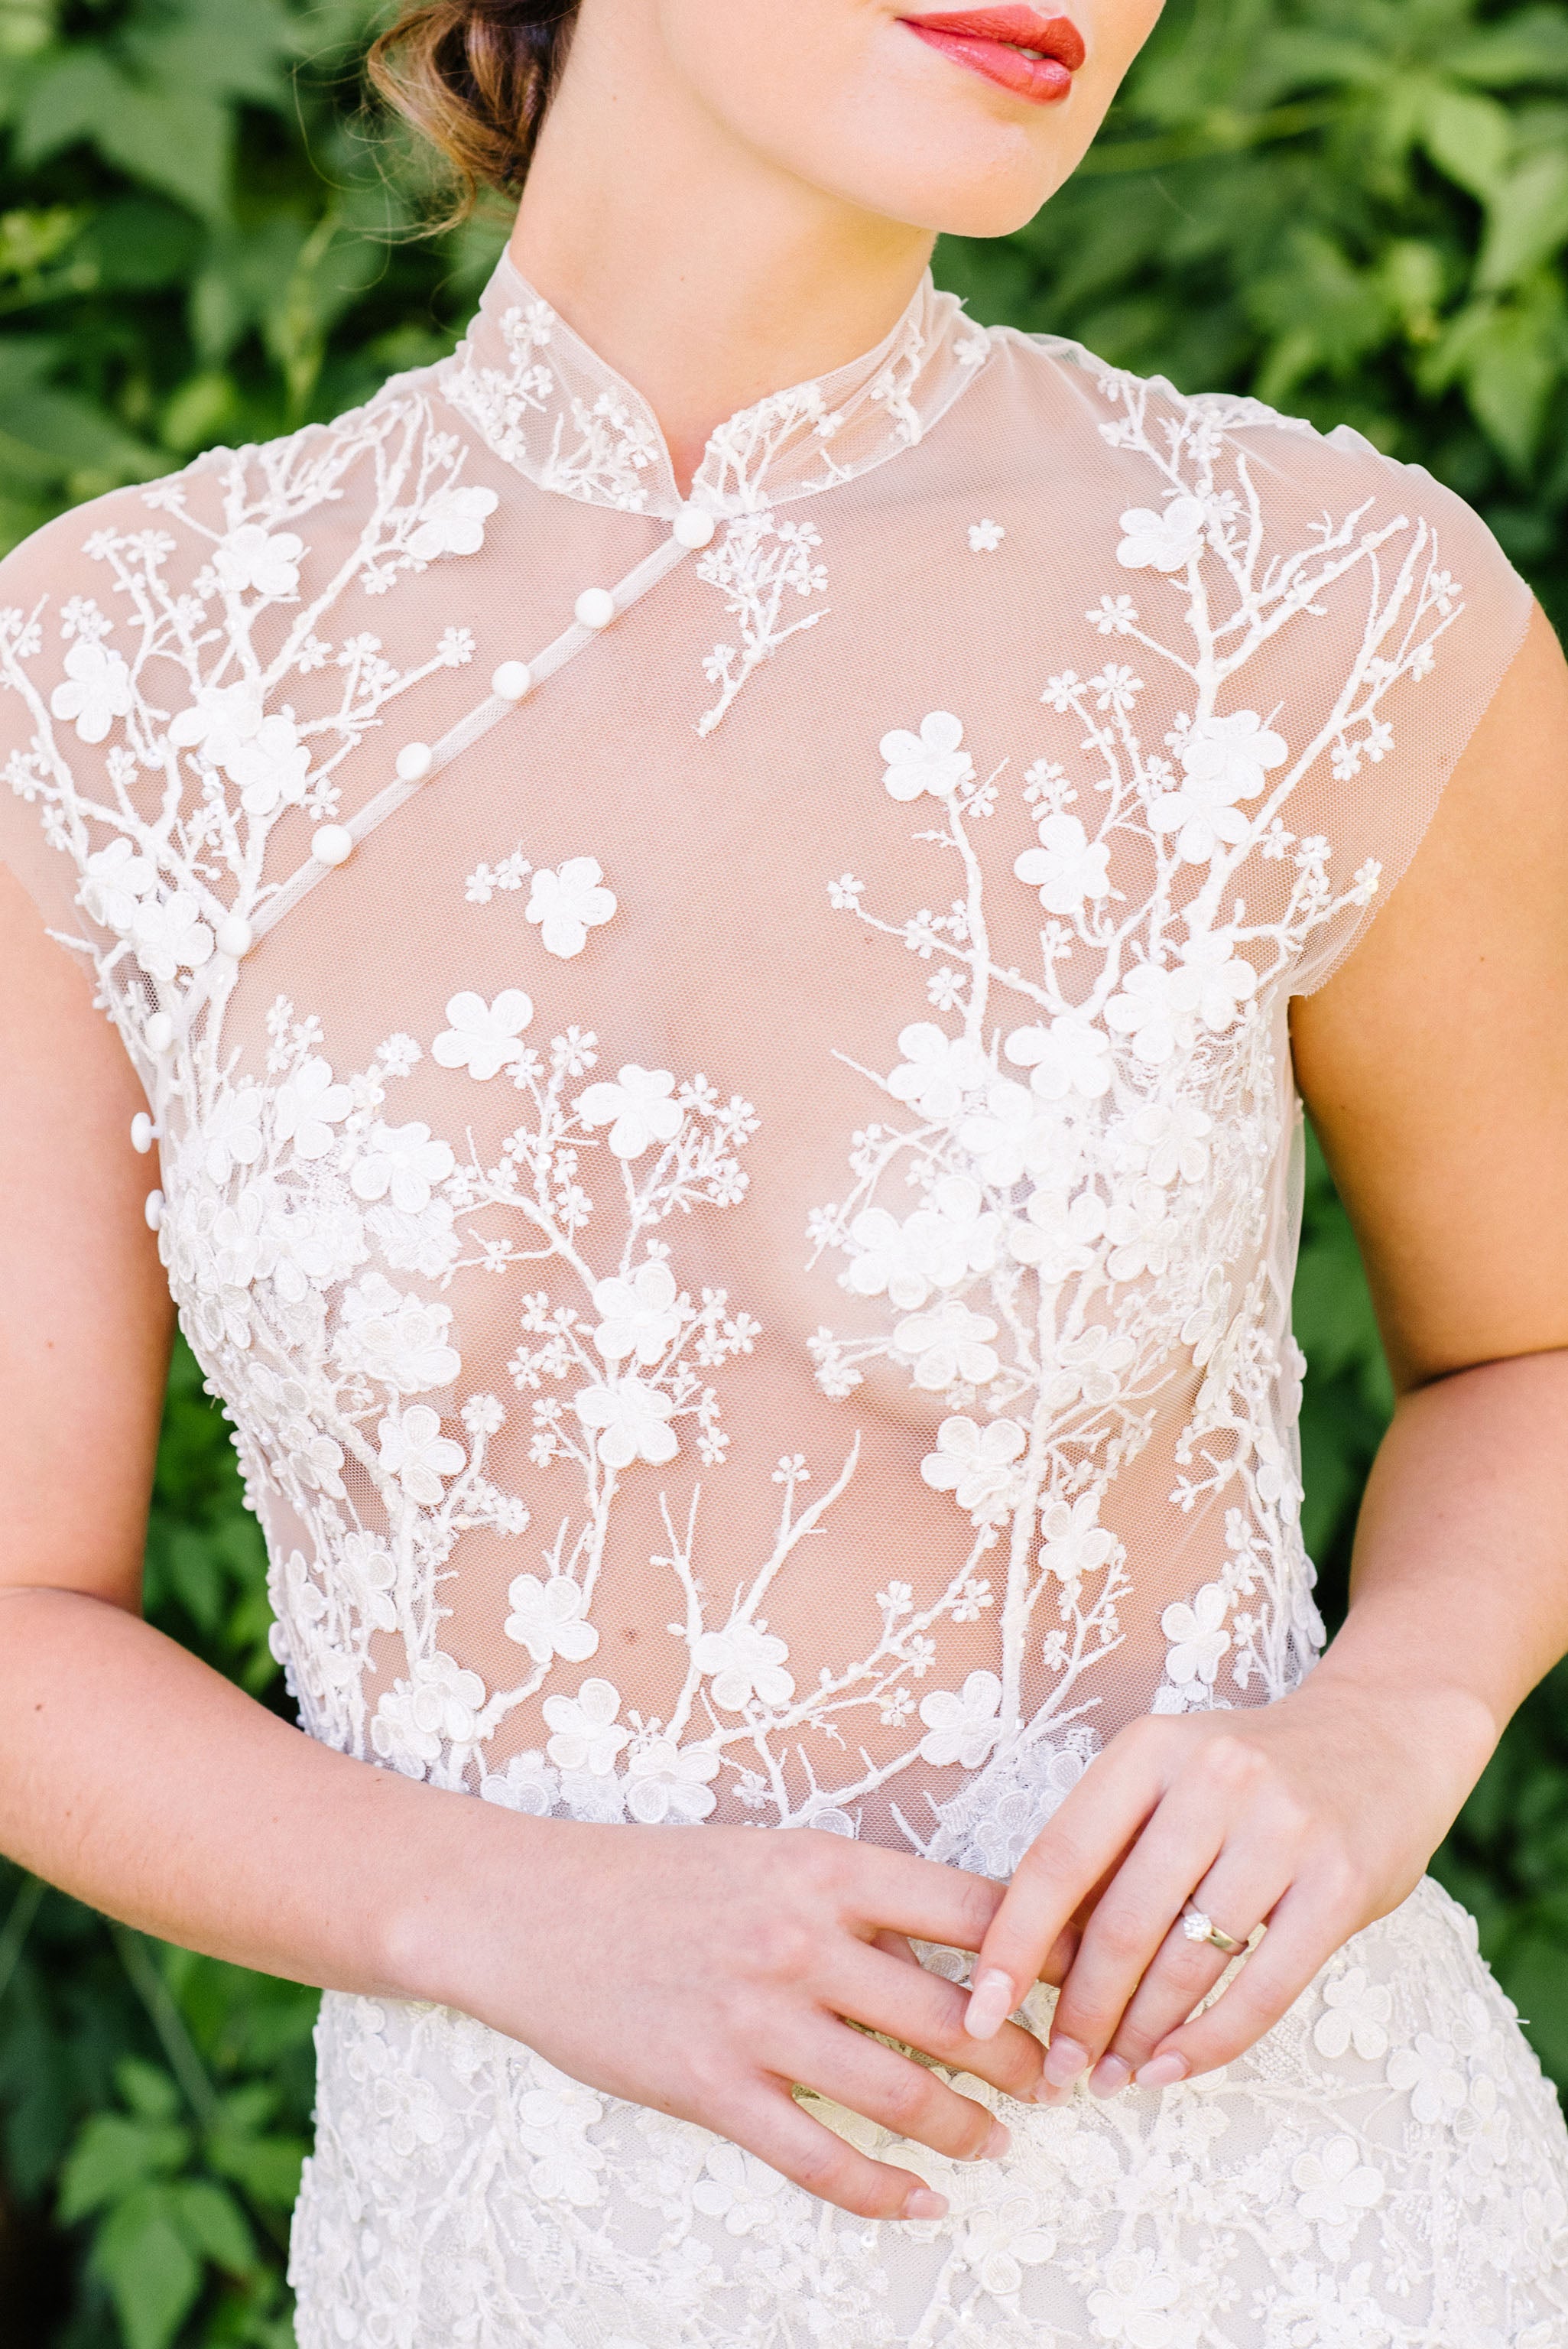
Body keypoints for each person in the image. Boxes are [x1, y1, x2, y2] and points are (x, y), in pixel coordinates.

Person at [2, 0, 1567, 2338]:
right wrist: (490, 1910)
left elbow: (1533, 1346)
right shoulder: (109, 681)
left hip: (1263, 2239)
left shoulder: (1316, 603)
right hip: (513, 2263)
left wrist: (1384, 1727)